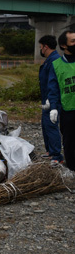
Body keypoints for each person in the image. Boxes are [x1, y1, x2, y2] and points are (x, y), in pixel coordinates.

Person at [48, 29, 75, 171]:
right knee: (69, 142)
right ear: (64, 45)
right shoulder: (56, 65)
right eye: (73, 41)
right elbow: (53, 88)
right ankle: (72, 169)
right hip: (68, 110)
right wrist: (53, 107)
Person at [38, 35, 63, 163]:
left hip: (52, 99)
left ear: (45, 47)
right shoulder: (50, 60)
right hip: (47, 98)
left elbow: (54, 83)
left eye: (41, 47)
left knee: (51, 125)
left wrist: (51, 100)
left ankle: (56, 155)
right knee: (46, 125)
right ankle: (49, 151)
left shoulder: (55, 60)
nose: (40, 50)